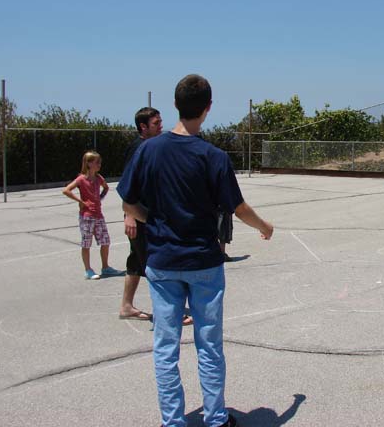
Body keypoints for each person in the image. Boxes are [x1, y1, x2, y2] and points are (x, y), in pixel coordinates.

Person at [117, 74, 273, 427]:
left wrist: (154, 219)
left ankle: (173, 421)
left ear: (175, 105)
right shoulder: (213, 156)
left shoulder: (149, 150)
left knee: (165, 347)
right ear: (208, 108)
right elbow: (238, 207)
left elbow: (128, 201)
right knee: (209, 346)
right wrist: (264, 227)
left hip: (163, 261)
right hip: (203, 262)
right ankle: (216, 418)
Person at [119, 107, 163, 321]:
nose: (161, 126)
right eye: (156, 123)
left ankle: (126, 306)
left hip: (144, 213)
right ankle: (166, 311)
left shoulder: (150, 146)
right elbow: (128, 186)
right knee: (154, 263)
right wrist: (130, 216)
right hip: (138, 216)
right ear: (143, 127)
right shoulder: (138, 148)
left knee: (136, 261)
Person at [62, 151, 124, 280]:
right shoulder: (81, 179)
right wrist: (80, 201)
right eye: (97, 162)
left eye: (100, 162)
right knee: (86, 243)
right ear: (89, 164)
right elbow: (66, 190)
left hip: (98, 214)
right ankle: (88, 270)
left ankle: (105, 267)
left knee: (105, 241)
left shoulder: (98, 178)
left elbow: (106, 188)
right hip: (87, 216)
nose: (99, 165)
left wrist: (100, 198)